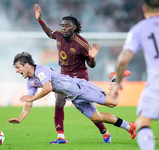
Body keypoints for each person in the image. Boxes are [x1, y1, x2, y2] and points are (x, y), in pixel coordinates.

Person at [8, 51, 136, 144]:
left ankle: (115, 78)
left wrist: (32, 98)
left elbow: (48, 88)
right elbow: (28, 103)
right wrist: (20, 118)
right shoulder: (31, 81)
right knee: (97, 117)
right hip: (74, 98)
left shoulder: (41, 70)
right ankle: (129, 127)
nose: (16, 71)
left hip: (80, 88)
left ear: (26, 65)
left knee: (114, 102)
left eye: (18, 67)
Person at [33, 4, 111, 144]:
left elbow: (91, 65)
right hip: (63, 76)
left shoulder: (82, 44)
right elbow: (49, 32)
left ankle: (104, 132)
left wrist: (92, 58)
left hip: (79, 78)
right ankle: (61, 136)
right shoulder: (58, 36)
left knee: (89, 110)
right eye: (62, 25)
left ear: (74, 27)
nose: (63, 28)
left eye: (67, 26)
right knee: (59, 100)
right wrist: (40, 20)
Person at [109, 0, 159, 150]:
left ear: (144, 9)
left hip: (158, 81)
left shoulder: (139, 29)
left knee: (142, 123)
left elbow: (123, 60)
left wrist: (117, 81)